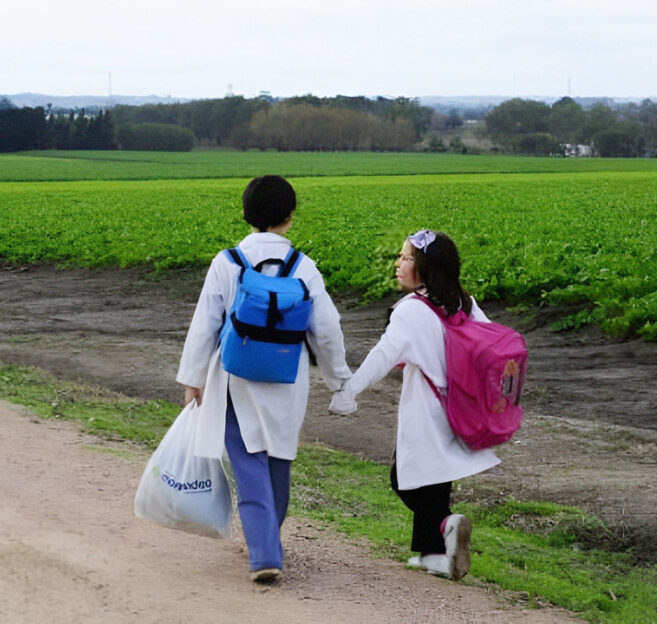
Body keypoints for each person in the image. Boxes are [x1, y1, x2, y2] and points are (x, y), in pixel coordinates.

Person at [176, 175, 354, 583]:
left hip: (234, 378)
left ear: (245, 215)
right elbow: (327, 330)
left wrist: (194, 378)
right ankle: (268, 540)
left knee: (248, 461)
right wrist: (339, 379)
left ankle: (264, 553)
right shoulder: (304, 267)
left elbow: (204, 324)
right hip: (287, 377)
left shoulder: (227, 262)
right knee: (279, 458)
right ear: (291, 217)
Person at [332, 229, 500, 581]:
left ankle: (444, 526)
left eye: (407, 257)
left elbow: (382, 356)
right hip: (461, 408)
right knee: (437, 479)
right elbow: (491, 344)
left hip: (426, 408)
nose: (399, 263)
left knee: (404, 480)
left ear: (425, 267)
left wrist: (350, 390)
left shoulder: (411, 311)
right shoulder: (463, 302)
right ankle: (436, 554)